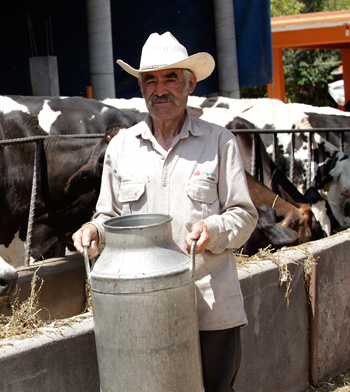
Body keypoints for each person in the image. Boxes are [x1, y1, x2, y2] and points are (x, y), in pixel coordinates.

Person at [72, 32, 258, 392]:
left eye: (170, 78)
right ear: (141, 88)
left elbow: (244, 215)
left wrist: (213, 229)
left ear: (190, 83)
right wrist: (94, 232)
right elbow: (108, 217)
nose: (160, 90)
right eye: (150, 80)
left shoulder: (219, 143)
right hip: (142, 307)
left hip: (209, 301)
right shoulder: (122, 148)